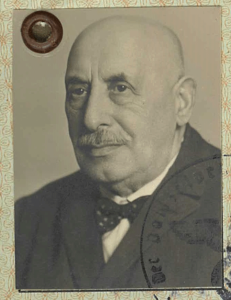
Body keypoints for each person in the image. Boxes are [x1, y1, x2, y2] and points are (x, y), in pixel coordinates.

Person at [15, 15, 221, 290]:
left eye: (120, 88)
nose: (91, 118)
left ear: (181, 102)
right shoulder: (27, 219)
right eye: (78, 90)